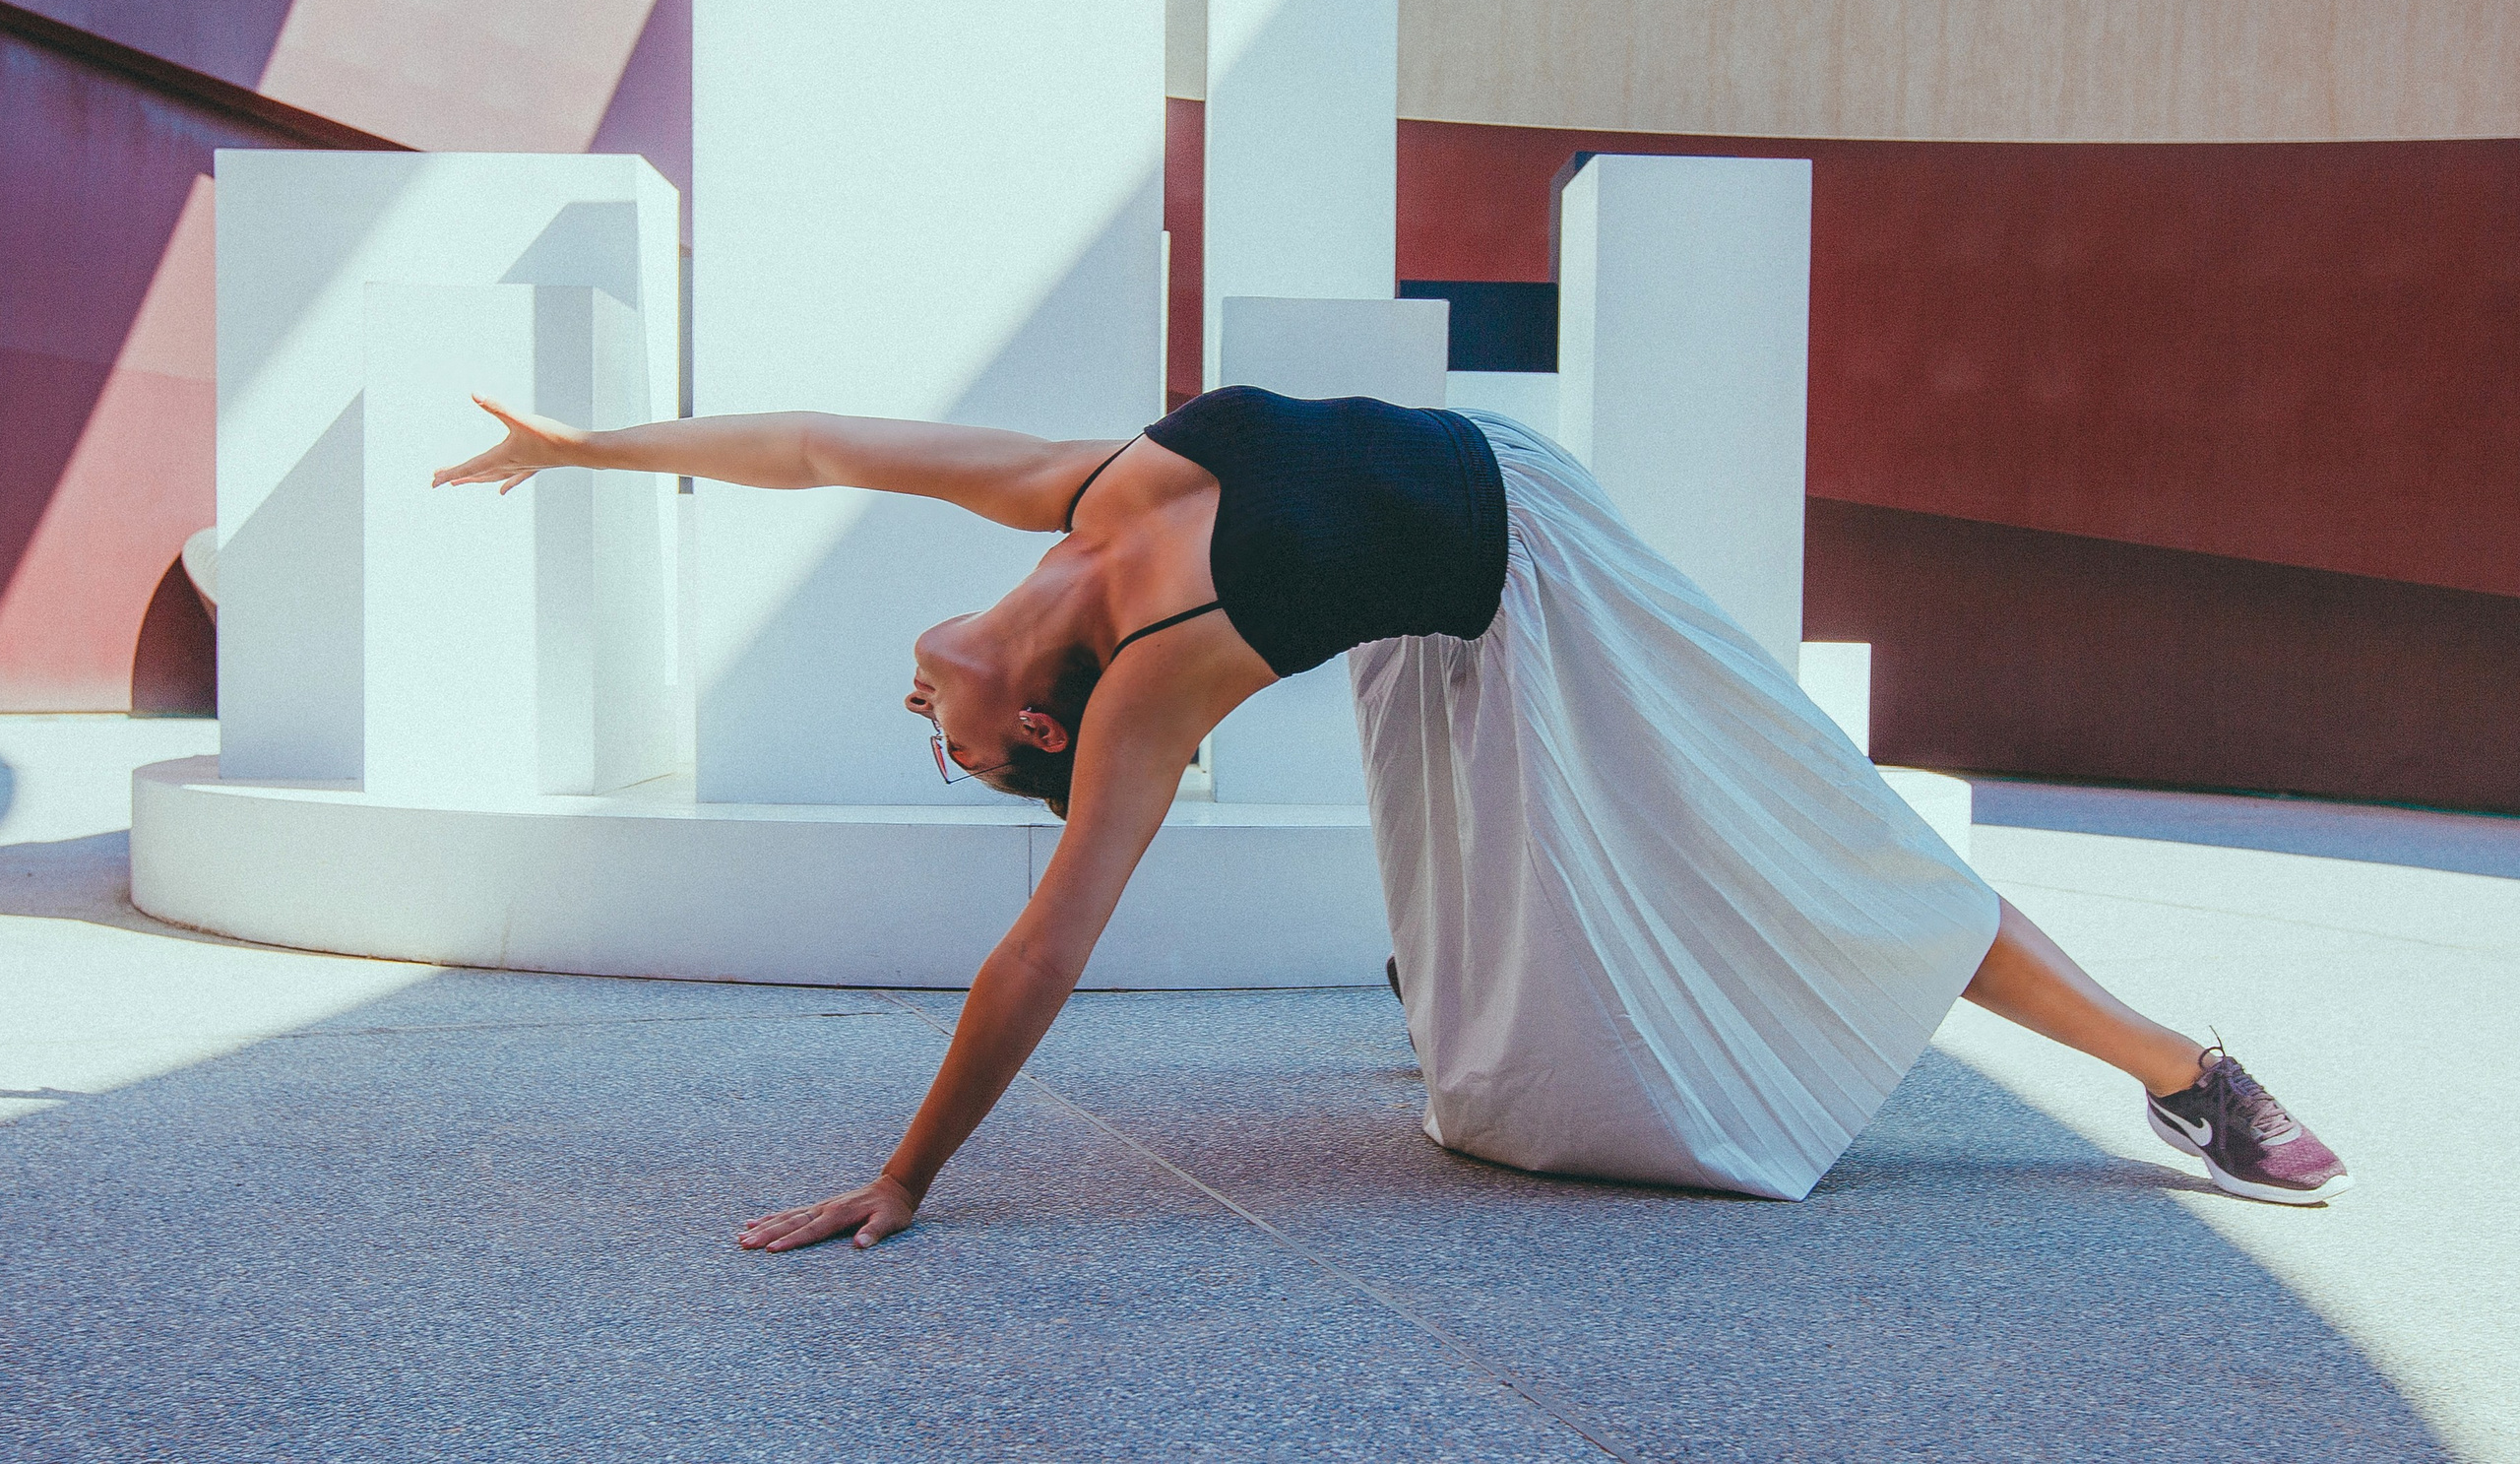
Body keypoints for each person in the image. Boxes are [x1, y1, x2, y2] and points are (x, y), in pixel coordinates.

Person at [432, 386, 2351, 1249]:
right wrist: (908, 1172)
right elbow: (1045, 945)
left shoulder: (1081, 495)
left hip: (1534, 528)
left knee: (1825, 835)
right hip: (1496, 598)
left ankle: (2172, 1067)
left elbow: (817, 441)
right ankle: (2190, 1072)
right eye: (942, 740)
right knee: (1828, 855)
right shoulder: (1153, 680)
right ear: (1038, 725)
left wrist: (584, 447)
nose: (914, 702)